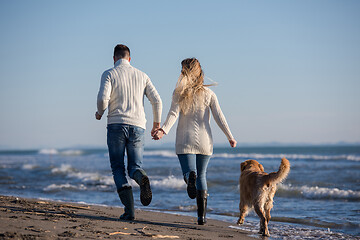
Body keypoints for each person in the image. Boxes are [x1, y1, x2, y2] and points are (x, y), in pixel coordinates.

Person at [153, 58, 237, 225]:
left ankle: (188, 176)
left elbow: (173, 114)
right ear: (200, 72)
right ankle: (201, 217)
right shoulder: (209, 94)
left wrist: (163, 130)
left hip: (185, 140)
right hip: (205, 142)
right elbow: (219, 116)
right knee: (202, 176)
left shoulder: (179, 92)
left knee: (191, 174)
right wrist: (230, 136)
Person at [96, 44, 162, 220]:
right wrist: (156, 124)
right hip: (138, 126)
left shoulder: (109, 73)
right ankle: (142, 179)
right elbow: (157, 100)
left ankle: (130, 211)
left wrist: (100, 113)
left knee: (118, 168)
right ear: (130, 59)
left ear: (114, 58)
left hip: (116, 124)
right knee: (135, 167)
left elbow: (103, 99)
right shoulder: (142, 75)